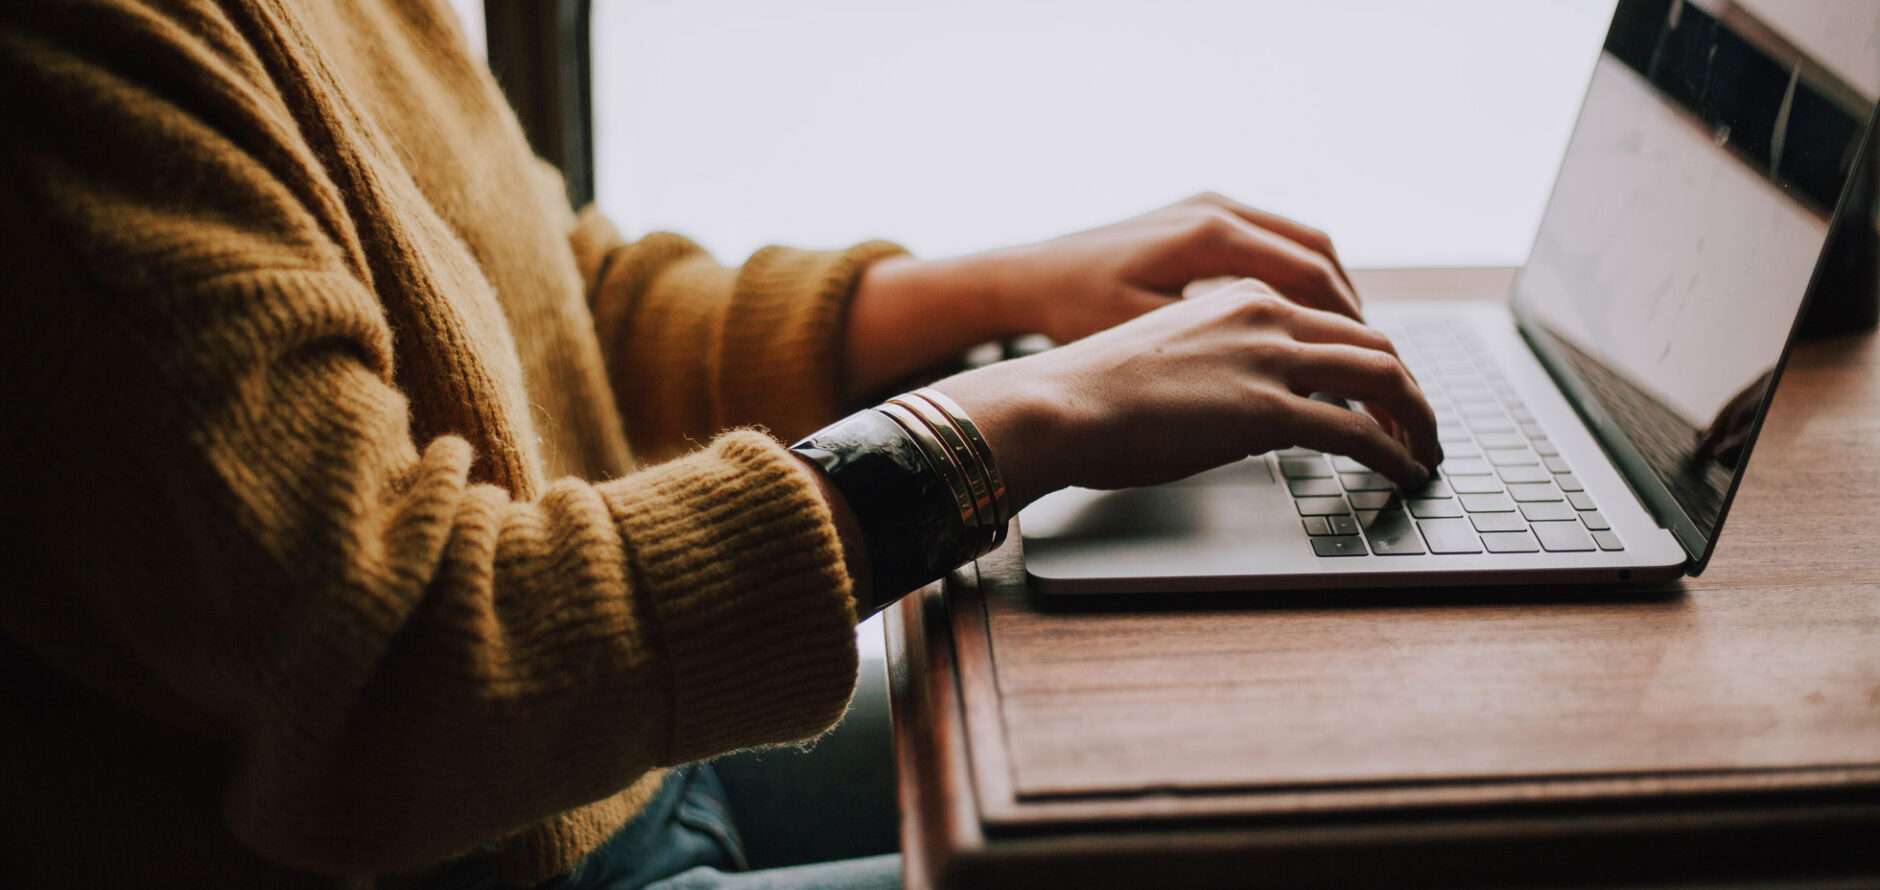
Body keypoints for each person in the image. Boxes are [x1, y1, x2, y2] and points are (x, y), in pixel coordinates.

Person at [0, 0, 1439, 887]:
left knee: (1312, 773)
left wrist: (1001, 295)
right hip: (472, 839)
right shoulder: (64, 61)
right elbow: (399, 671)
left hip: (599, 775)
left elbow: (545, 307)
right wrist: (1009, 423)